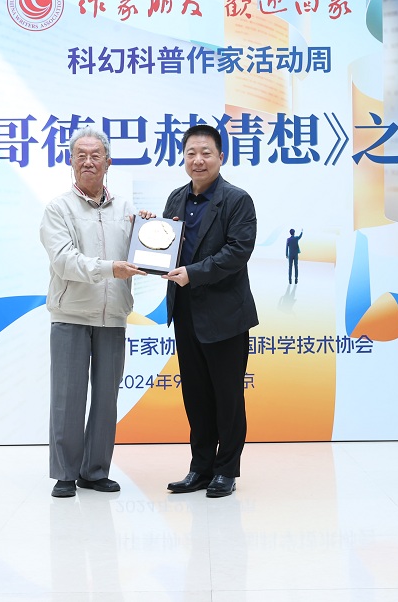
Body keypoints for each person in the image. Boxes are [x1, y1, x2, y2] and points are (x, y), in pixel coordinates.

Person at [39, 126, 146, 498]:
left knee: (105, 399)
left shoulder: (127, 210)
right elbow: (64, 261)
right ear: (71, 162)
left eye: (95, 155)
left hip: (113, 314)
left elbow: (143, 254)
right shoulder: (58, 208)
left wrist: (150, 229)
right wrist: (109, 269)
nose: (88, 161)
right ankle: (65, 473)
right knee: (67, 398)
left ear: (108, 162)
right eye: (80, 155)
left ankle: (95, 471)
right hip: (71, 313)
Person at [161, 124, 258, 498]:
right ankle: (200, 467)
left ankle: (226, 470)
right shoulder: (176, 198)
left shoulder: (237, 200)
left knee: (227, 395)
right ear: (183, 158)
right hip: (185, 309)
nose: (198, 160)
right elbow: (166, 245)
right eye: (191, 153)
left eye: (206, 153)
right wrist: (149, 233)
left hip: (225, 314)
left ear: (221, 157)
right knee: (196, 394)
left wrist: (194, 273)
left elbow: (237, 252)